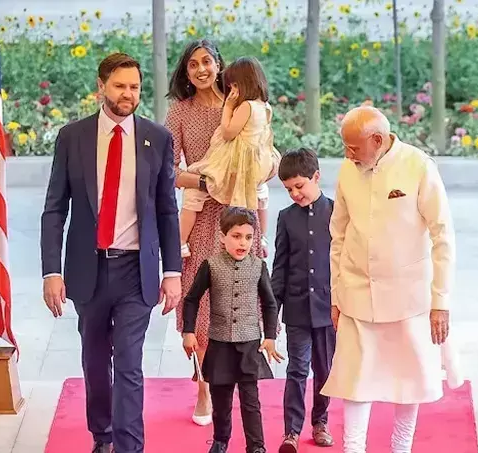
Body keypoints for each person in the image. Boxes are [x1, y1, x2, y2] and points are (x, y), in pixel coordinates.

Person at [40, 53, 182, 453]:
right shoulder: (73, 137)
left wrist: (172, 271)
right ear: (101, 86)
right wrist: (51, 271)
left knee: (130, 363)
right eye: (120, 86)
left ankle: (128, 446)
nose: (128, 94)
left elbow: (167, 210)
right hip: (89, 269)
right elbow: (55, 208)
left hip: (137, 271)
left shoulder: (157, 138)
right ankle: (102, 437)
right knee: (95, 361)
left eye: (135, 87)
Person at [320, 106, 462, 453]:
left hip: (408, 297)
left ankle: (401, 448)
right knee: (354, 381)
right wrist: (336, 296)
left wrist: (440, 302)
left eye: (353, 147)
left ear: (377, 139)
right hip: (356, 293)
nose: (347, 154)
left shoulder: (418, 166)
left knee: (408, 382)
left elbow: (443, 237)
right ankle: (353, 449)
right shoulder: (348, 170)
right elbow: (337, 236)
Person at [164, 39, 268, 426]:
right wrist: (206, 183)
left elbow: (265, 148)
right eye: (193, 64)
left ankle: (236, 380)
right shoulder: (180, 111)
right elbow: (167, 169)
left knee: (240, 303)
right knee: (204, 305)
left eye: (207, 61)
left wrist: (267, 170)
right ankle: (205, 387)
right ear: (186, 72)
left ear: (219, 64)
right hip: (202, 217)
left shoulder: (242, 104)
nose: (201, 69)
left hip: (240, 214)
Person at [182, 207, 284, 453]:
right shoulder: (211, 265)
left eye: (248, 237)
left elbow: (269, 303)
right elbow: (192, 299)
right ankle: (220, 441)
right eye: (236, 236)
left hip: (250, 344)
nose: (243, 243)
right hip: (219, 343)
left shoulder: (258, 266)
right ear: (222, 237)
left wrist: (270, 336)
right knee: (221, 398)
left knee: (251, 399)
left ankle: (256, 446)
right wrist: (189, 331)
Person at [178, 56, 280, 258]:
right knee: (261, 193)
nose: (231, 90)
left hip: (237, 163)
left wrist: (229, 107)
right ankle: (262, 236)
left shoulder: (246, 106)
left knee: (194, 193)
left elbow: (228, 132)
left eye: (234, 85)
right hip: (260, 163)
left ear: (243, 83)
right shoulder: (266, 106)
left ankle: (180, 241)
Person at [271, 148, 336, 452]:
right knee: (297, 370)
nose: (295, 194)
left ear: (316, 177)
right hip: (296, 309)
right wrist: (272, 313)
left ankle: (320, 422)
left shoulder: (336, 212)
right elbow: (279, 267)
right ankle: (291, 431)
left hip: (328, 309)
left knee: (325, 370)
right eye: (288, 189)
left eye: (299, 186)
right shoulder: (285, 218)